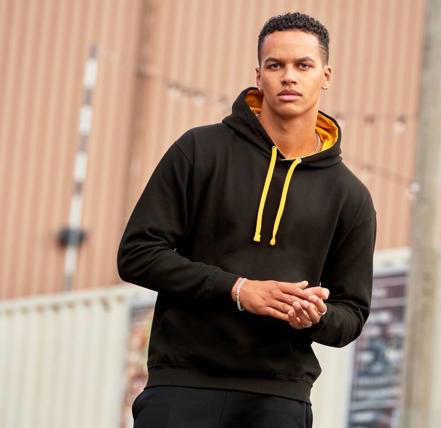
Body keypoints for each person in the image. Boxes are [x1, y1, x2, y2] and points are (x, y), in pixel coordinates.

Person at [117, 11, 377, 428]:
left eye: (303, 65)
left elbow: (351, 314)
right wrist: (238, 289)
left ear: (325, 76)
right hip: (183, 385)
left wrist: (316, 317)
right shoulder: (199, 150)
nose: (289, 77)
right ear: (258, 75)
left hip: (279, 397)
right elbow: (137, 254)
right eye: (276, 65)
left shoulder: (350, 196)